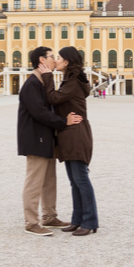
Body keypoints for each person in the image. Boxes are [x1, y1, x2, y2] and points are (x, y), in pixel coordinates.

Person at [17, 46, 82, 236]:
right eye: (52, 57)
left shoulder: (43, 81)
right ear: (41, 61)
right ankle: (31, 223)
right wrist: (64, 121)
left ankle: (49, 216)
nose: (55, 60)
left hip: (47, 138)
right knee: (34, 182)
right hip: (36, 139)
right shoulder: (32, 84)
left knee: (49, 181)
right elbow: (40, 113)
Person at [40, 46, 98, 236]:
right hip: (70, 133)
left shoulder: (72, 82)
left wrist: (47, 76)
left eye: (59, 58)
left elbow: (53, 98)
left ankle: (89, 221)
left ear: (67, 62)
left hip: (76, 133)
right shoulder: (70, 80)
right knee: (75, 180)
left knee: (81, 179)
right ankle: (77, 219)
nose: (55, 60)